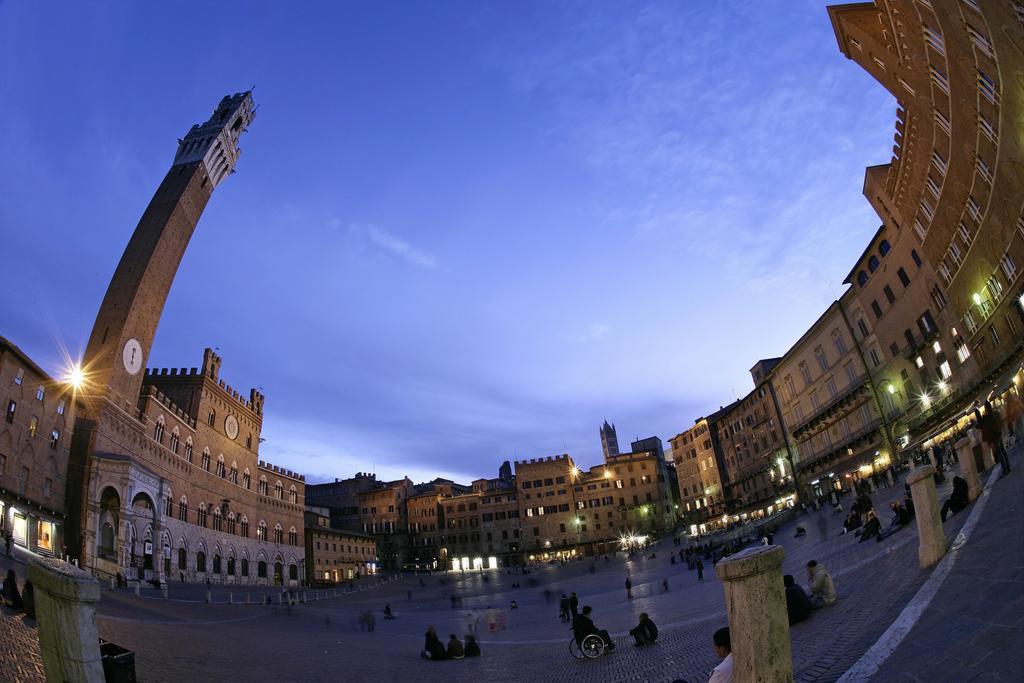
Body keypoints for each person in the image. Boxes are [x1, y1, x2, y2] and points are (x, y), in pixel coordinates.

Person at [980, 401, 1011, 477]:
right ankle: (1008, 466)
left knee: (1000, 453)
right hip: (999, 434)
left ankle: (1005, 469)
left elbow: (988, 428)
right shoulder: (996, 413)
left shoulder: (988, 416)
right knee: (1003, 450)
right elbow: (1001, 422)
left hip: (995, 436)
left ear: (986, 408)